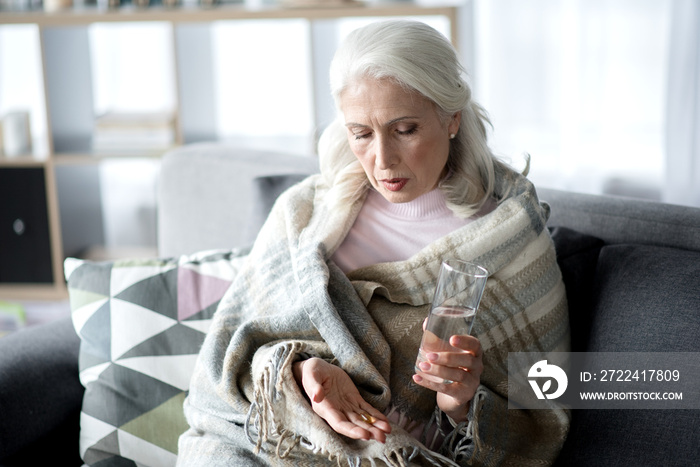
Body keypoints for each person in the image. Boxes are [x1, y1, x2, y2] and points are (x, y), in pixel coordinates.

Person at [177, 20, 570, 466]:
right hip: (260, 444)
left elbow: (545, 406)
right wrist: (303, 374)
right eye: (361, 134)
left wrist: (460, 403)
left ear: (452, 118)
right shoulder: (304, 217)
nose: (382, 160)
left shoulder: (512, 242)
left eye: (405, 130)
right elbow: (227, 363)